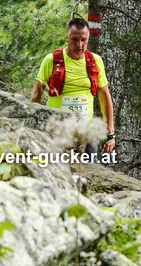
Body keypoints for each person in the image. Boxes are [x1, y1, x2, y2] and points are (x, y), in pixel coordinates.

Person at [30, 16, 115, 161]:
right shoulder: (52, 60)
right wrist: (34, 127)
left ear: (88, 39)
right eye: (75, 39)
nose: (80, 45)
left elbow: (104, 95)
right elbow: (36, 94)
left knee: (89, 174)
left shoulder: (95, 61)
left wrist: (110, 132)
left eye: (84, 40)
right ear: (67, 38)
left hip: (86, 131)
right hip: (57, 128)